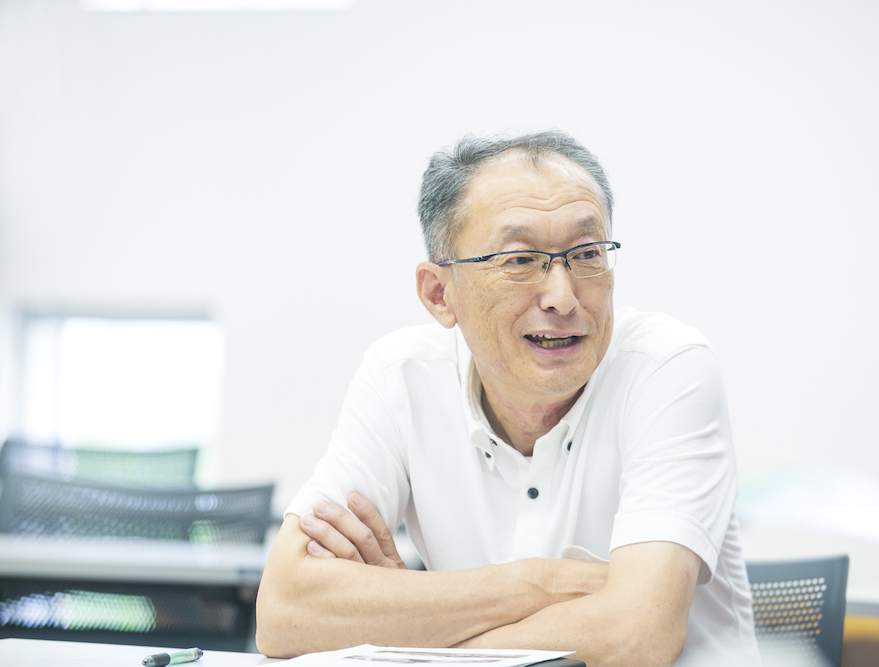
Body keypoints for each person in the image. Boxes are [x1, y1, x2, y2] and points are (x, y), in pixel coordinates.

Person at [255, 131, 759, 667]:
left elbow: (638, 635)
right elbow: (284, 613)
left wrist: (408, 628)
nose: (563, 297)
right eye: (520, 260)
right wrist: (541, 584)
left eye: (587, 254)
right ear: (439, 293)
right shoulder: (401, 377)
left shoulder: (667, 368)